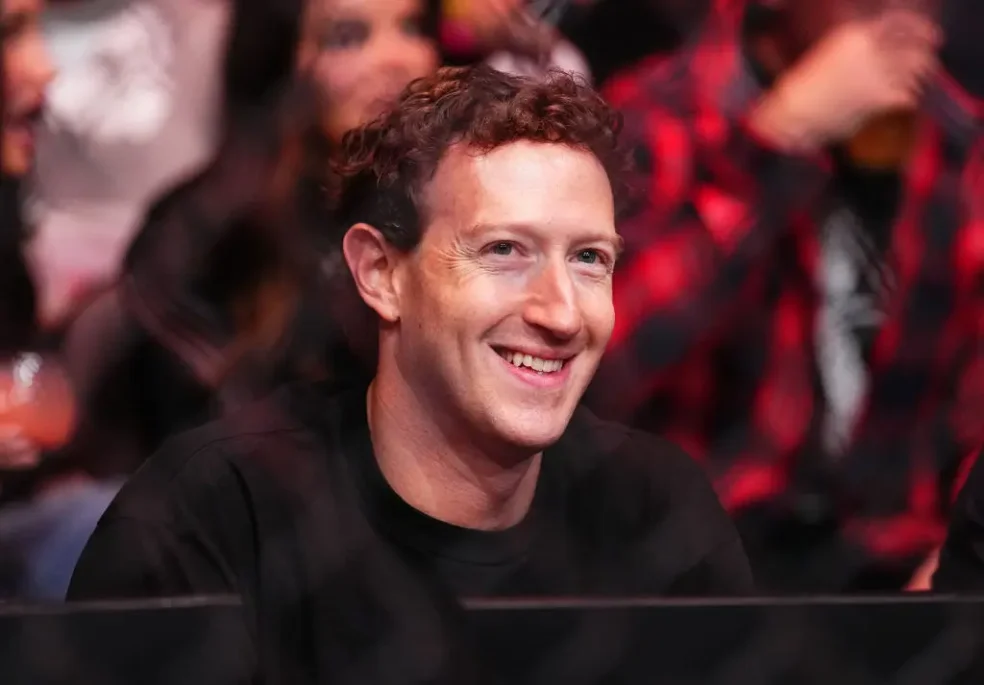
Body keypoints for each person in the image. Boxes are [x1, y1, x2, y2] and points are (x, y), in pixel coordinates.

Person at [68, 65, 752, 682]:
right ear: (381, 273)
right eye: (506, 250)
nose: (563, 313)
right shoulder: (213, 514)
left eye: (590, 259)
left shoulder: (657, 508)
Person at [586, 0, 984, 592]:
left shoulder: (954, 132)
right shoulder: (656, 114)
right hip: (703, 561)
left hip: (900, 563)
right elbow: (603, 364)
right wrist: (779, 141)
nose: (910, 24)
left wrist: (961, 554)